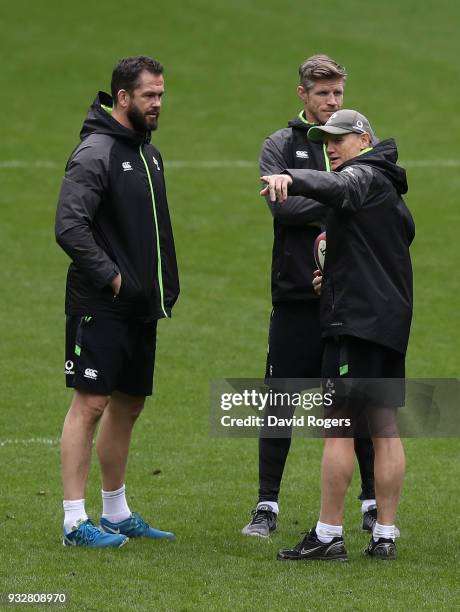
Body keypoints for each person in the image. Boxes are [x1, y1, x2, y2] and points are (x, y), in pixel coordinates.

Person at [260, 109, 414, 560]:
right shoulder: (390, 190)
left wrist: (292, 177)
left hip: (356, 328)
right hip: (388, 328)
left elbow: (338, 186)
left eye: (338, 138)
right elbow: (384, 255)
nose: (330, 146)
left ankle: (328, 535)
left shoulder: (362, 175)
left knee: (339, 429)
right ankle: (385, 535)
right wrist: (338, 277)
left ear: (363, 138)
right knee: (385, 428)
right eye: (325, 139)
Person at [242, 55, 377, 538]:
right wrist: (338, 200)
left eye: (338, 92)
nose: (332, 101)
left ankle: (370, 500)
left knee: (353, 403)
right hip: (297, 295)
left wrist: (323, 201)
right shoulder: (281, 144)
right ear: (303, 94)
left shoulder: (357, 141)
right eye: (323, 93)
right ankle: (266, 505)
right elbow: (283, 208)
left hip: (349, 299)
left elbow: (371, 201)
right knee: (279, 399)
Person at [55, 56, 180, 548]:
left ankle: (115, 511)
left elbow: (155, 231)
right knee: (90, 404)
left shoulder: (149, 155)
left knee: (128, 404)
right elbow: (70, 226)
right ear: (122, 98)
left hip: (139, 306)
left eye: (162, 95)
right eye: (150, 96)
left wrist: (164, 284)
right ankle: (72, 522)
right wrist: (113, 280)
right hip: (100, 303)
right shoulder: (96, 152)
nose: (158, 104)